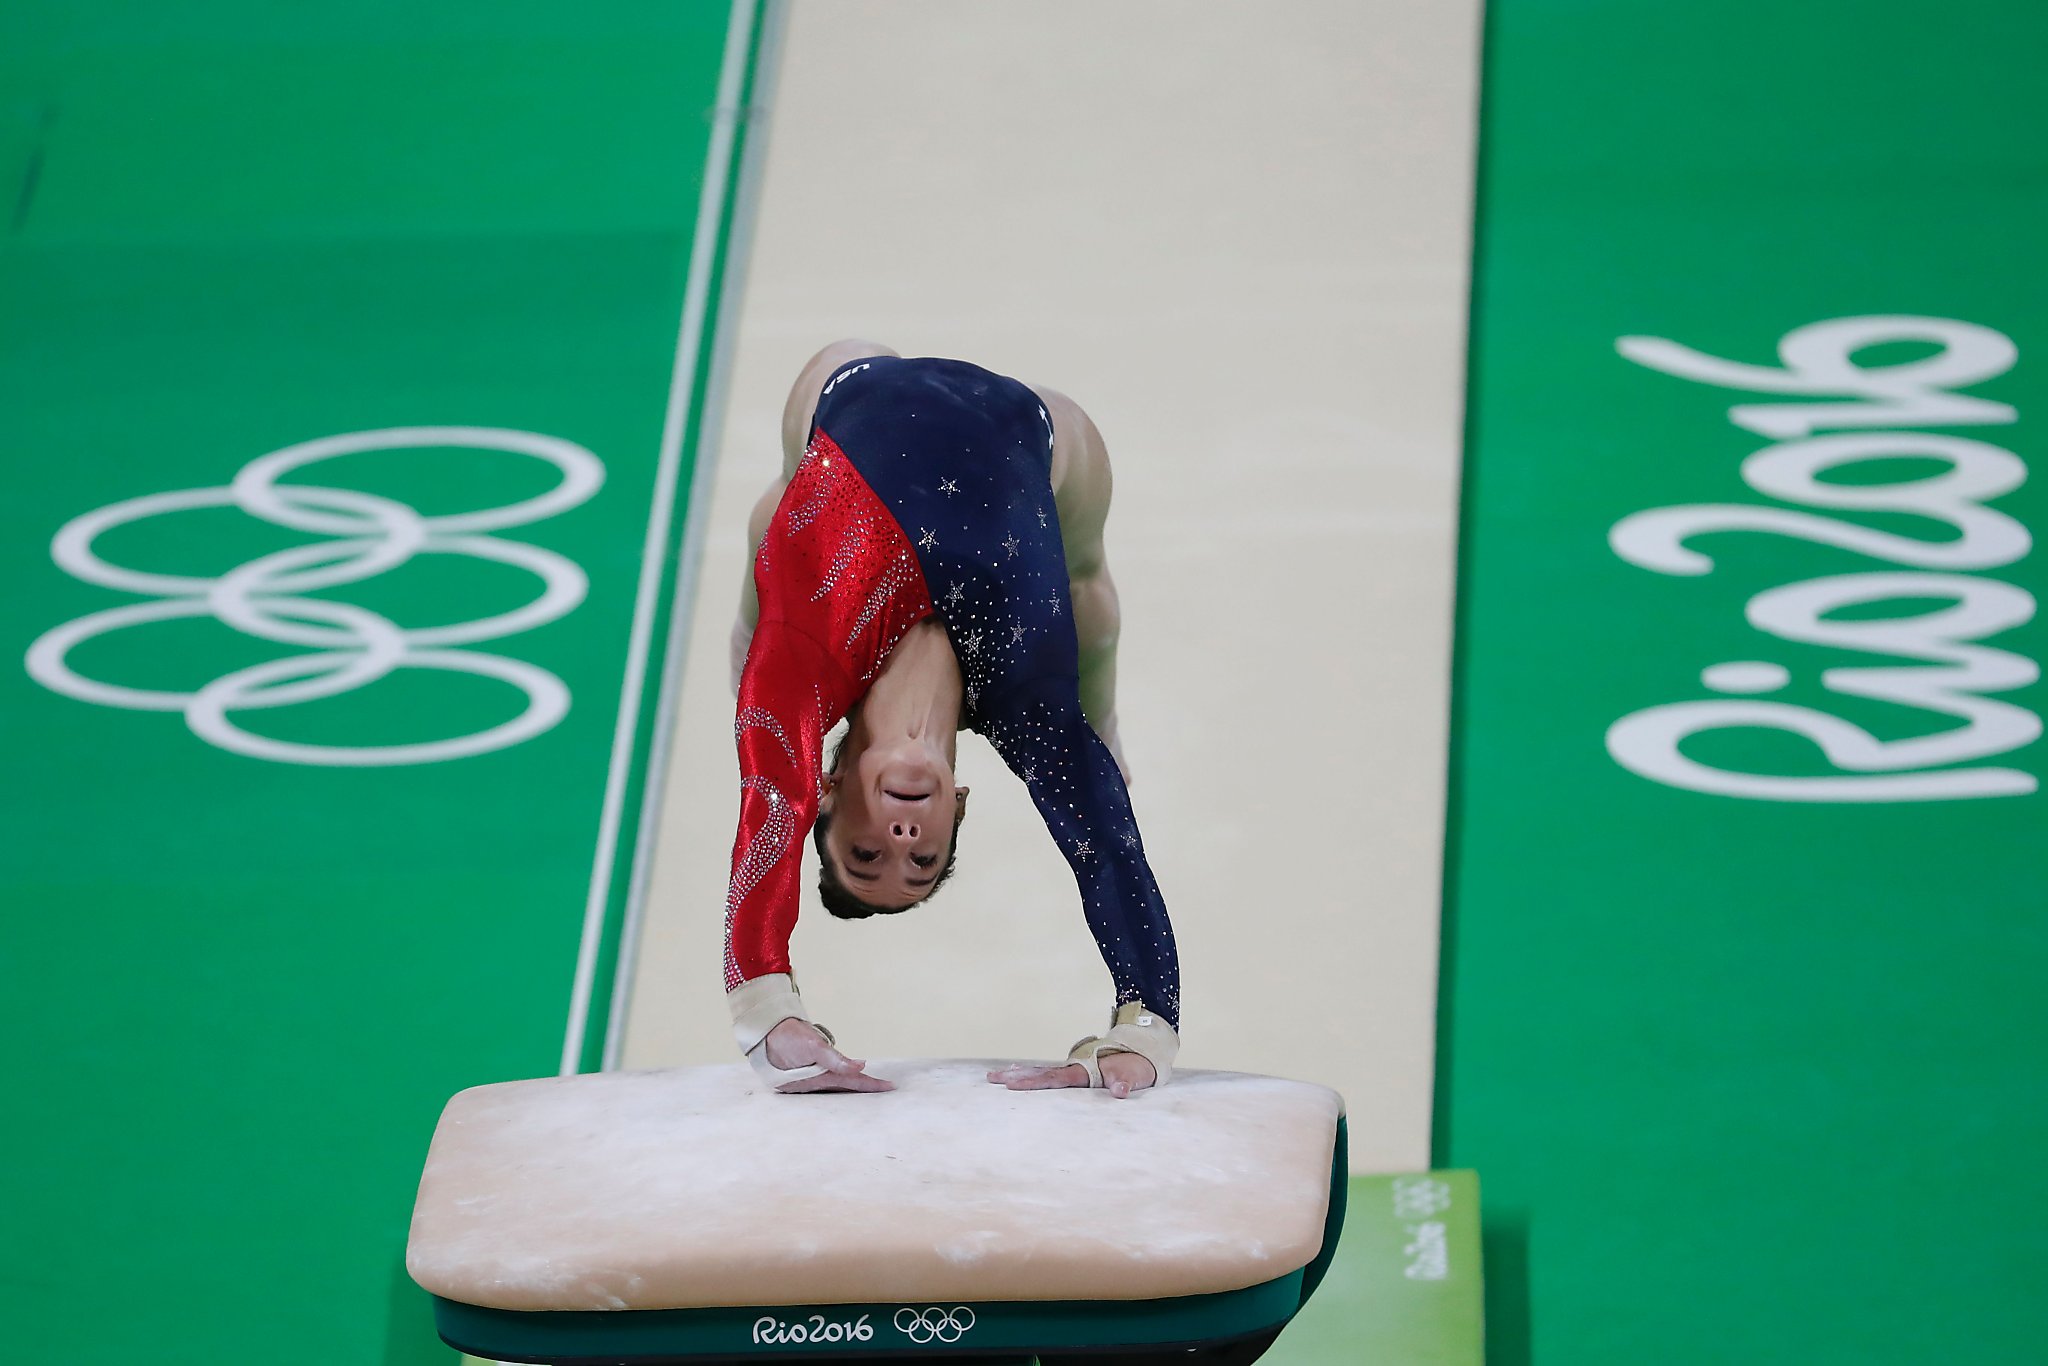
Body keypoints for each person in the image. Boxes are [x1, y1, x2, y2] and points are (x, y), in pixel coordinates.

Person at [722, 341, 1179, 1099]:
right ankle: (1108, 726)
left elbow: (770, 809)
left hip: (851, 384)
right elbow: (1108, 856)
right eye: (922, 863)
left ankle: (752, 626)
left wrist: (767, 1012)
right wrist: (1143, 1033)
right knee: (1086, 587)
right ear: (956, 808)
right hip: (1035, 431)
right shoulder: (1026, 702)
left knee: (772, 576)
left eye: (865, 855)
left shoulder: (808, 665)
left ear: (826, 790)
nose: (900, 843)